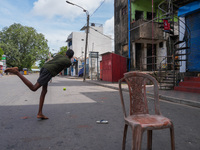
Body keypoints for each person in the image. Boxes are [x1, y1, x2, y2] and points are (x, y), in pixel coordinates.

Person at [5, 49, 74, 120]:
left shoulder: (59, 56)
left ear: (65, 54)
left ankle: (40, 113)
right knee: (34, 88)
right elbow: (62, 67)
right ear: (71, 56)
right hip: (48, 72)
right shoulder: (68, 62)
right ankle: (17, 72)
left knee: (44, 91)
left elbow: (55, 63)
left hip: (44, 68)